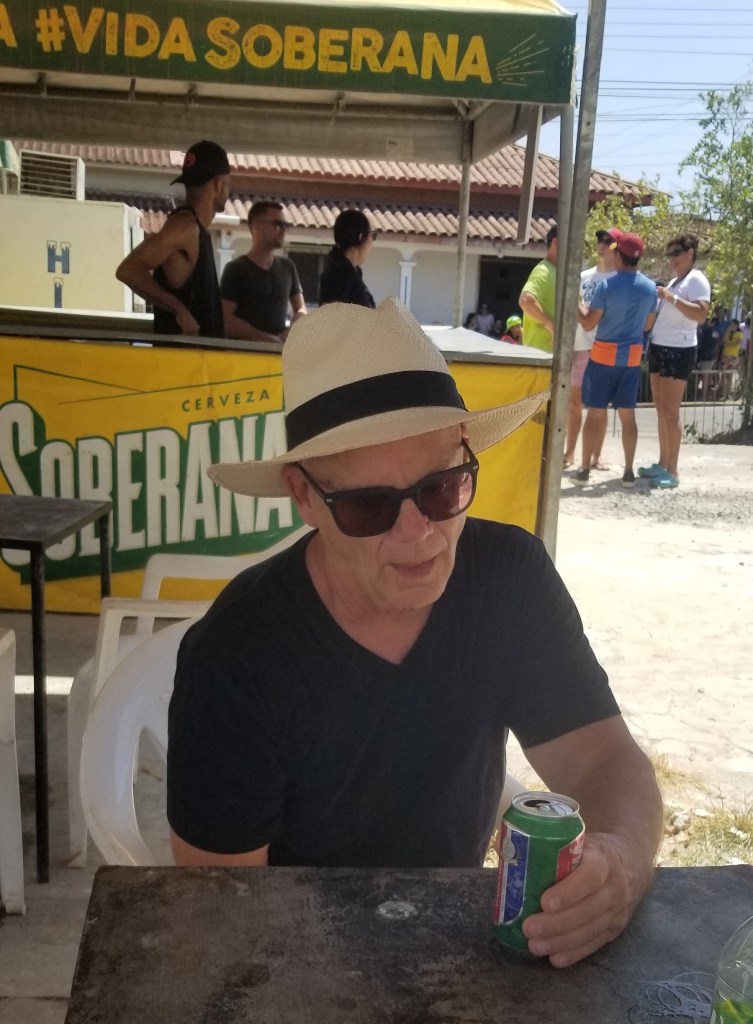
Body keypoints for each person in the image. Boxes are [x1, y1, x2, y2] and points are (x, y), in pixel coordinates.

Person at [167, 296, 663, 969]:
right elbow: (222, 906)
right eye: (369, 505)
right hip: (296, 950)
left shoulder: (508, 578)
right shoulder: (237, 653)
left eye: (442, 488)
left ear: (466, 456)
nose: (418, 534)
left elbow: (602, 760)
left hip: (459, 937)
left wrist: (621, 861)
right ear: (305, 496)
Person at [115, 140, 229, 338]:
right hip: (181, 356)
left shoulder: (196, 229)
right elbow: (128, 270)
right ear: (219, 184)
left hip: (198, 356)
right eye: (229, 183)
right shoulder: (185, 226)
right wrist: (178, 309)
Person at [574, 233, 657, 488]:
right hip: (631, 360)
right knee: (628, 417)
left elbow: (588, 323)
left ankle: (584, 470)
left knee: (595, 414)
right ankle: (628, 472)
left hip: (602, 358)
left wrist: (576, 302)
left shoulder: (606, 286)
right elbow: (648, 325)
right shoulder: (650, 288)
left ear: (618, 255)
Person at [638, 234, 710, 489]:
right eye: (670, 254)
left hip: (679, 350)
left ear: (690, 253)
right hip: (659, 346)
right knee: (660, 409)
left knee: (670, 412)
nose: (672, 259)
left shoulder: (696, 279)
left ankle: (673, 470)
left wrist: (671, 298)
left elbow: (701, 314)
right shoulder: (675, 281)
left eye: (676, 253)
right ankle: (663, 462)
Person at [563, 228, 621, 470]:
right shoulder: (583, 277)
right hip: (579, 347)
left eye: (608, 241)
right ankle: (570, 453)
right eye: (600, 240)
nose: (602, 244)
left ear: (617, 246)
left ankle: (597, 456)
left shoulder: (618, 280)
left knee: (599, 406)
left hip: (603, 348)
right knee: (574, 404)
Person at [221, 201, 307, 343]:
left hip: (277, 354)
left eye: (285, 226)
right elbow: (226, 319)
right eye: (277, 225)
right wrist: (267, 340)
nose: (283, 230)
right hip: (243, 353)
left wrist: (292, 330)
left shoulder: (288, 267)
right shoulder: (236, 269)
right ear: (257, 226)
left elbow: (301, 309)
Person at [318, 209, 377, 308]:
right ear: (360, 237)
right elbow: (330, 312)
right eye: (372, 236)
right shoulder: (340, 273)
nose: (372, 242)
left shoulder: (352, 271)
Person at [519, 224, 557, 353]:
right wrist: (551, 325)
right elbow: (526, 300)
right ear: (556, 242)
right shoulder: (544, 271)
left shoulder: (554, 271)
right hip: (540, 356)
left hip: (548, 355)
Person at [695, 316, 721, 399]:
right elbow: (717, 343)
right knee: (706, 377)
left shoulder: (703, 330)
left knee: (702, 377)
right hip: (711, 356)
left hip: (703, 356)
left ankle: (701, 396)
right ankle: (703, 395)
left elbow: (700, 342)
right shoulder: (715, 331)